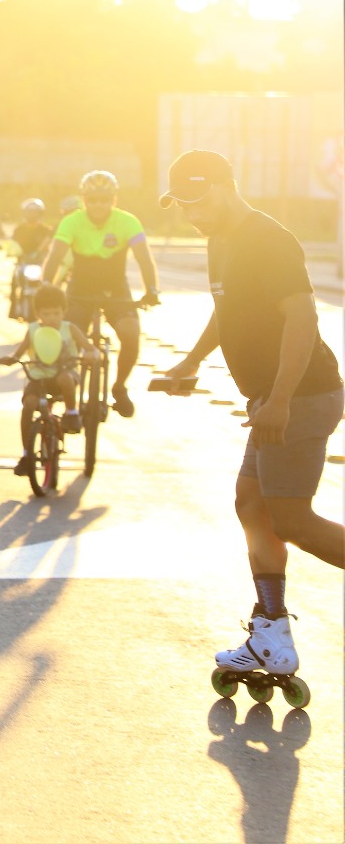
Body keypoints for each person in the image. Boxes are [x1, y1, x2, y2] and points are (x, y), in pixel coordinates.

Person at [155, 150, 343, 679]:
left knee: (292, 520)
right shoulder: (220, 242)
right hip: (271, 399)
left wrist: (281, 398)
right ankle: (271, 631)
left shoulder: (268, 238)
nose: (191, 214)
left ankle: (272, 628)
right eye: (181, 205)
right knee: (250, 504)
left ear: (223, 185)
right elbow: (226, 307)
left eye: (198, 200)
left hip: (301, 395)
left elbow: (302, 316)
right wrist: (190, 362)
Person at [40, 170, 160, 418]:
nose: (98, 205)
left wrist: (151, 289)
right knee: (67, 335)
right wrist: (46, 286)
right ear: (84, 200)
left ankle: (119, 386)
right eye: (92, 199)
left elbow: (144, 259)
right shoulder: (72, 221)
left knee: (131, 333)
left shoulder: (128, 221)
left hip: (116, 289)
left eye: (104, 199)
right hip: (80, 288)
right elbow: (55, 256)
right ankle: (65, 379)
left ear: (113, 200)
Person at [0, 283, 100, 473]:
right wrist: (11, 359)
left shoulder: (70, 328)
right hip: (38, 378)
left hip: (65, 375)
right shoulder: (33, 329)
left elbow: (89, 347)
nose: (52, 318)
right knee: (28, 404)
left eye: (56, 313)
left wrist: (91, 354)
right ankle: (27, 453)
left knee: (64, 378)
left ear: (64, 312)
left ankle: (71, 414)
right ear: (38, 314)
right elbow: (19, 352)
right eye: (47, 314)